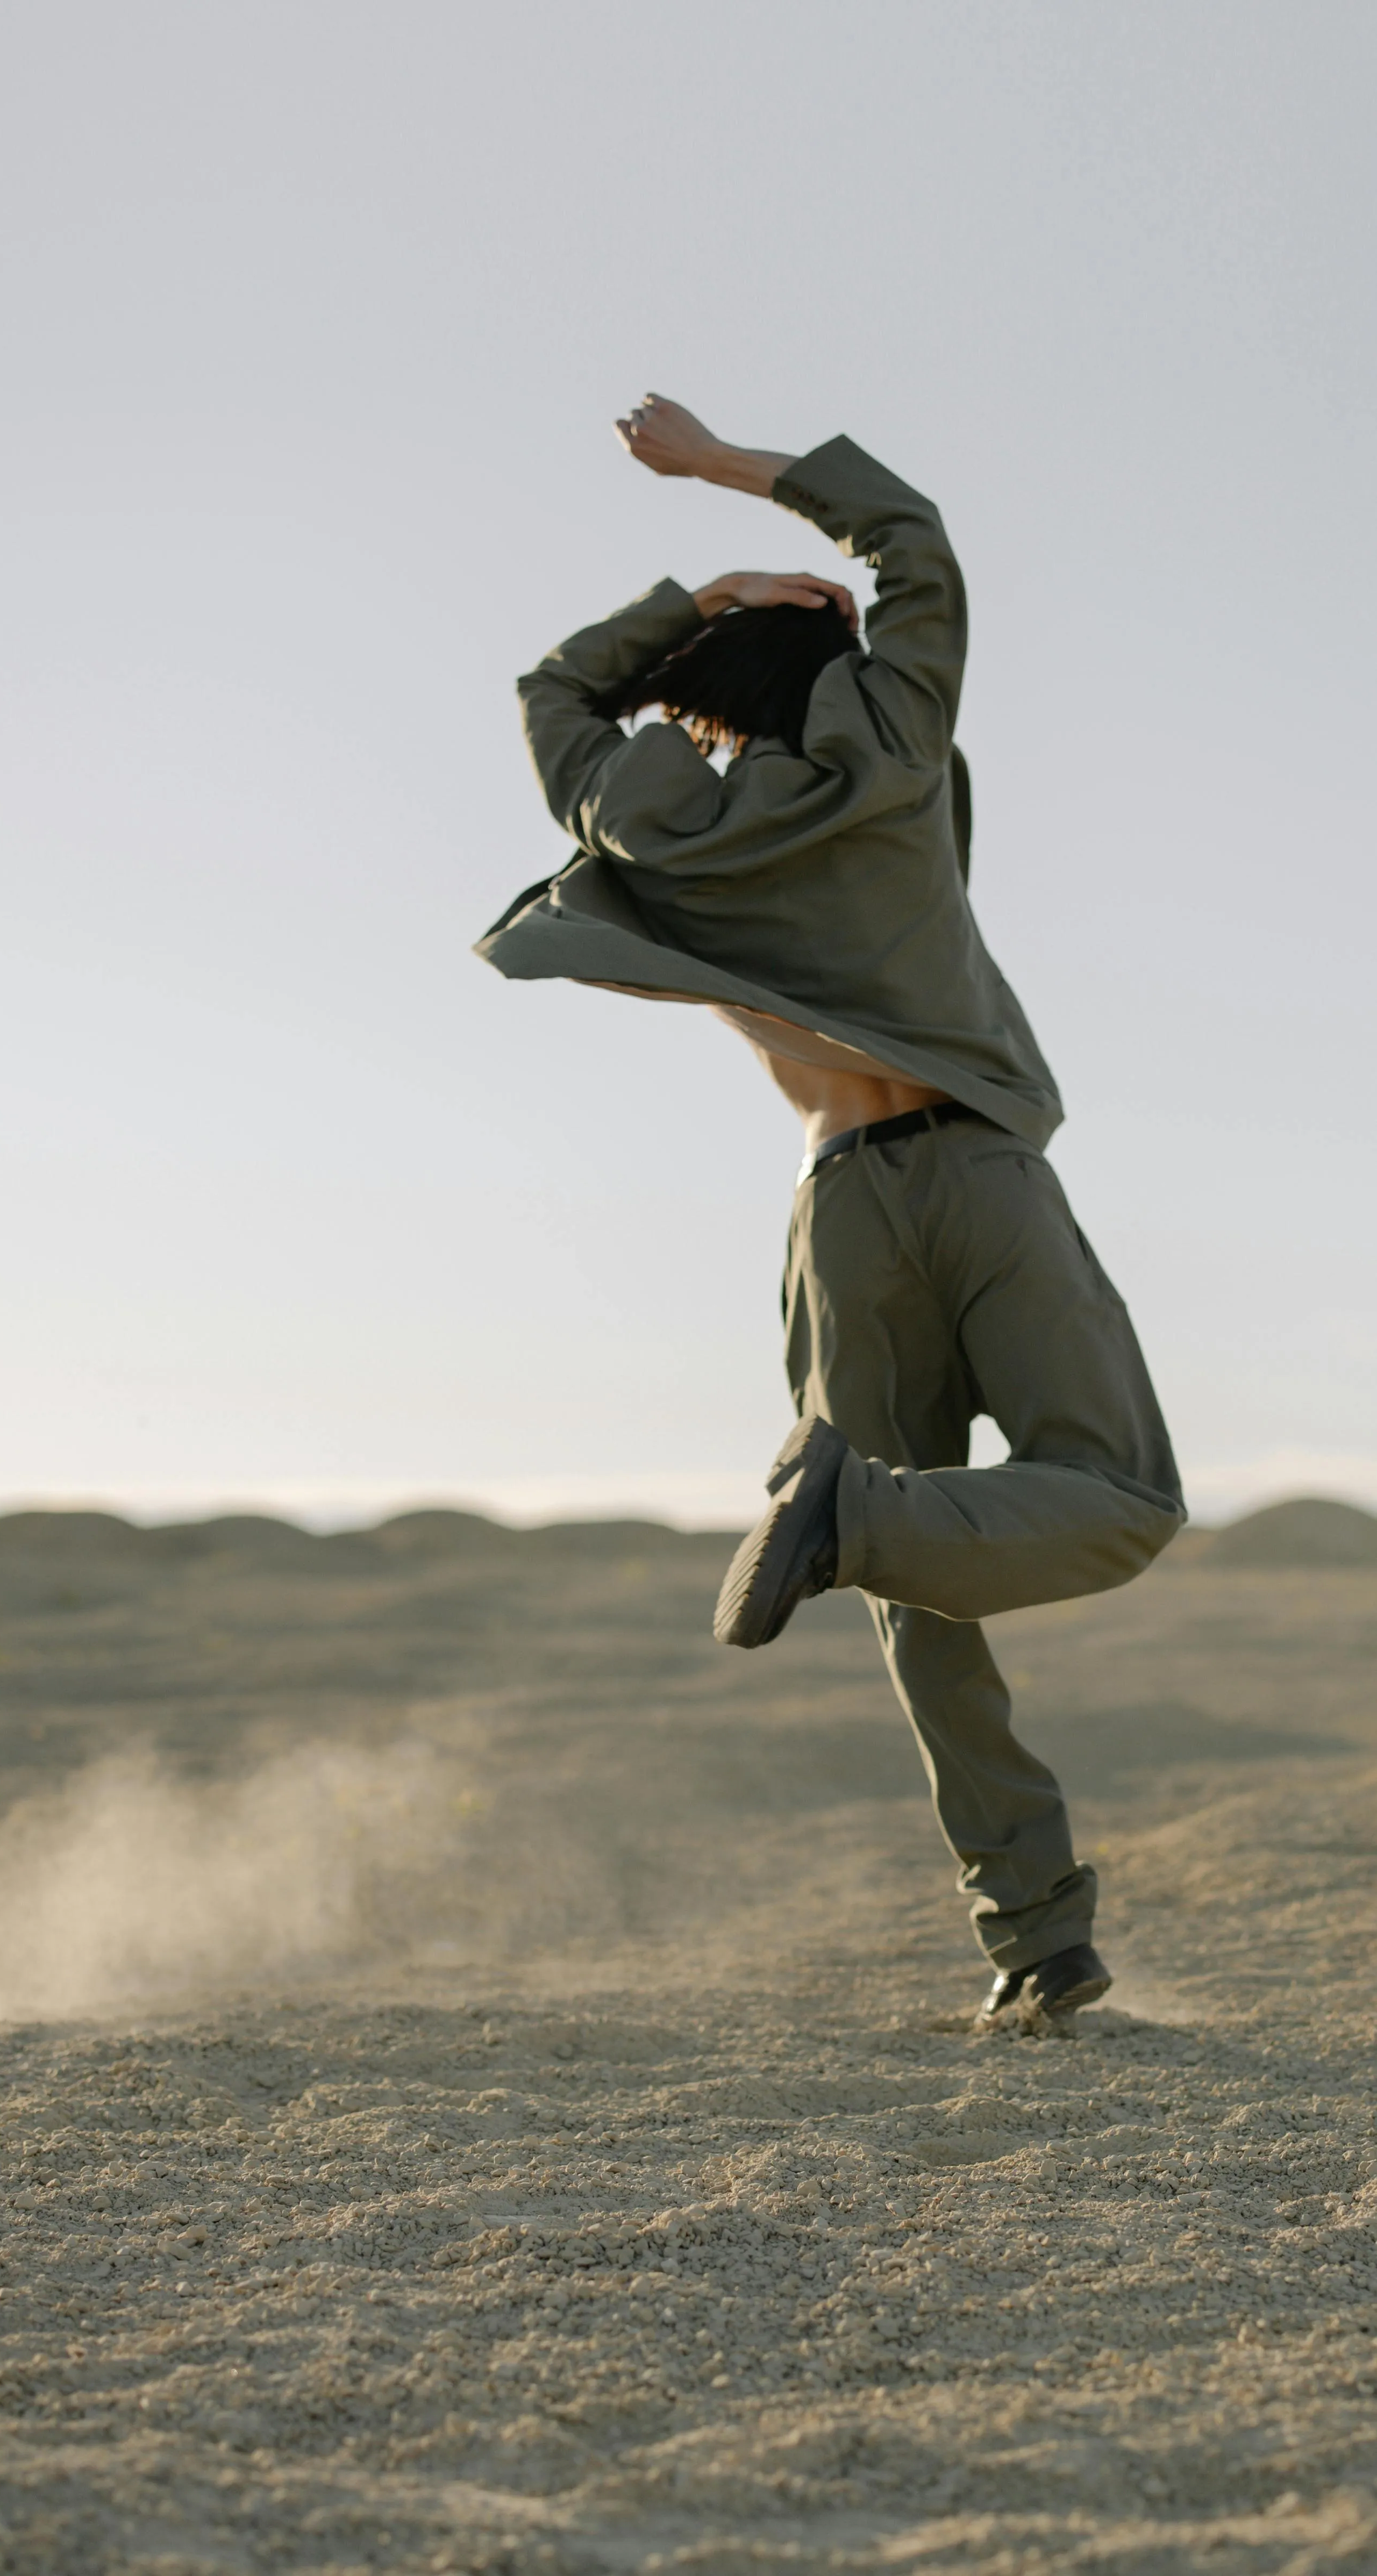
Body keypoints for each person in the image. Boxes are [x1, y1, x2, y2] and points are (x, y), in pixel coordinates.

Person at [476, 394, 1185, 2023]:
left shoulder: (666, 823)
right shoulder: (896, 743)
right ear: (839, 651)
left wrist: (700, 606)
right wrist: (726, 471)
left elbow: (551, 692)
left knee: (917, 1592)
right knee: (1117, 1497)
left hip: (836, 1214)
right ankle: (846, 1520)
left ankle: (1038, 1943)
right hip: (981, 1173)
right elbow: (912, 535)